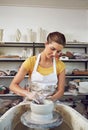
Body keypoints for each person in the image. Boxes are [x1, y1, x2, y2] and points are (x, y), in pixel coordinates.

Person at [9, 31, 66, 102]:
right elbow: (13, 86)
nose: (54, 54)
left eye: (58, 51)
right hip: (32, 101)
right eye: (52, 49)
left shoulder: (60, 65)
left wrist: (51, 99)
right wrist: (27, 93)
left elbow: (61, 91)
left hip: (50, 102)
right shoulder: (30, 62)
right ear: (46, 44)